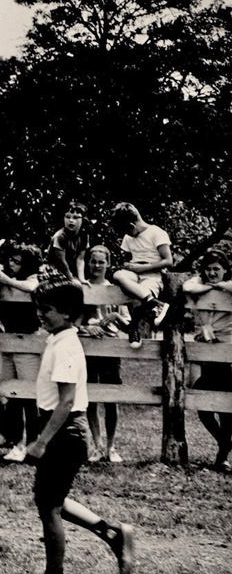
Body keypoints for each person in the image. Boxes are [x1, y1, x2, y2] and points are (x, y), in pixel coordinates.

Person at [27, 274, 136, 574]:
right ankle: (113, 534)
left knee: (49, 508)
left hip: (64, 432)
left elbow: (66, 402)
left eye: (46, 308)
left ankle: (55, 570)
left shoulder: (65, 346)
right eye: (38, 307)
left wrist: (41, 441)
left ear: (66, 312)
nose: (39, 313)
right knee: (49, 501)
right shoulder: (59, 338)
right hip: (60, 429)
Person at [76, 245, 130, 463]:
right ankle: (97, 445)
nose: (96, 266)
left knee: (111, 397)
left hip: (111, 346)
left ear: (108, 263)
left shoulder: (115, 289)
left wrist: (116, 316)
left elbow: (128, 325)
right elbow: (74, 321)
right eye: (93, 261)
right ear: (88, 263)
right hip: (89, 347)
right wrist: (87, 328)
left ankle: (111, 446)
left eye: (101, 262)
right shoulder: (83, 288)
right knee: (91, 396)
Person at [0, 243, 44, 463]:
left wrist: (7, 279)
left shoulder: (31, 279)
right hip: (8, 341)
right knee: (11, 394)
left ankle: (32, 443)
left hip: (28, 342)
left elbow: (33, 287)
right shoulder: (5, 283)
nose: (12, 264)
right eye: (11, 260)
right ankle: (16, 442)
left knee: (29, 396)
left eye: (17, 261)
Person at [183, 250, 232, 471]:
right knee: (202, 404)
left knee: (226, 408)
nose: (212, 273)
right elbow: (187, 287)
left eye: (217, 269)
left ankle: (222, 457)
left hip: (226, 352)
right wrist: (211, 286)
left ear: (225, 270)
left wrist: (219, 286)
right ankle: (225, 443)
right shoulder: (200, 283)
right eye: (209, 269)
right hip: (206, 351)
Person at [110, 202, 172, 349]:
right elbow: (129, 258)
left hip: (152, 274)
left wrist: (142, 268)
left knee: (138, 296)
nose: (127, 236)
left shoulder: (157, 233)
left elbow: (168, 261)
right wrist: (129, 267)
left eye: (128, 231)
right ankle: (155, 304)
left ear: (132, 226)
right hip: (134, 274)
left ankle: (133, 329)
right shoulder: (128, 238)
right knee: (118, 275)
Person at [47, 202, 90, 281]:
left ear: (83, 220)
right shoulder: (60, 236)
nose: (71, 220)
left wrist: (81, 279)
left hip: (69, 271)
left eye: (76, 217)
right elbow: (61, 262)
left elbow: (80, 259)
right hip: (52, 270)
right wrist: (72, 279)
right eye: (67, 217)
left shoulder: (84, 236)